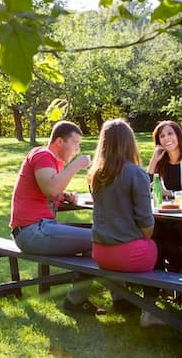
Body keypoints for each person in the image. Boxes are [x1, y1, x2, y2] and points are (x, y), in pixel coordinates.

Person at [9, 120, 101, 314]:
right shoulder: (43, 155)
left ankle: (78, 298)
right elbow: (50, 188)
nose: (77, 150)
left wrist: (64, 195)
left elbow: (50, 190)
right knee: (101, 237)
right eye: (75, 144)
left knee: (98, 235)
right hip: (32, 231)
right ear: (60, 141)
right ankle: (81, 299)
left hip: (39, 229)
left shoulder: (54, 163)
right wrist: (76, 165)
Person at [88, 119, 158, 274]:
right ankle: (154, 291)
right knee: (159, 242)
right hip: (128, 255)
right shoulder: (136, 173)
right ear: (130, 143)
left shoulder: (95, 174)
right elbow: (146, 223)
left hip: (100, 252)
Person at [146, 120, 182, 273]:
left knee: (164, 231)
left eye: (170, 134)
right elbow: (143, 189)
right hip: (166, 215)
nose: (166, 138)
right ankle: (170, 273)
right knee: (154, 230)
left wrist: (169, 194)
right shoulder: (160, 162)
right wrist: (153, 162)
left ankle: (179, 270)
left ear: (178, 136)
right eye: (162, 136)